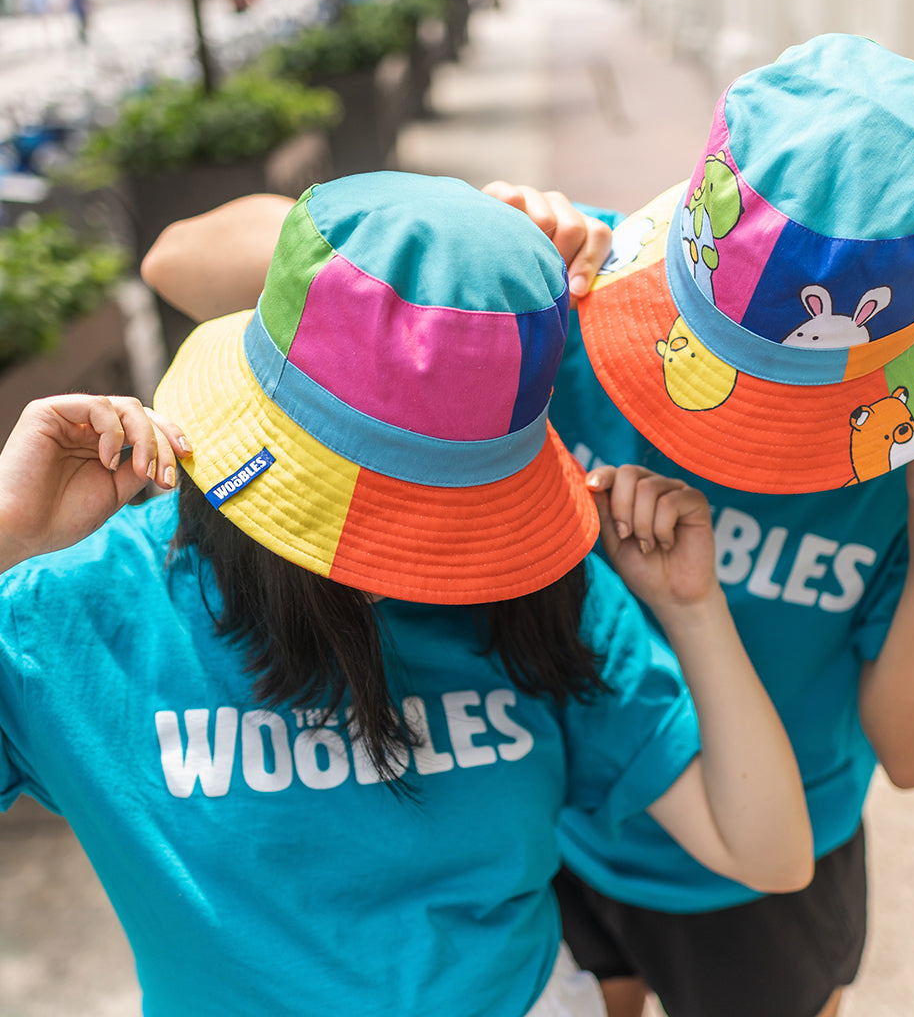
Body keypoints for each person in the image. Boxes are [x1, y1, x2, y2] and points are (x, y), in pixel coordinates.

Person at [139, 35, 914, 1017]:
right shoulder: (569, 284)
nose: (731, 439)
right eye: (710, 364)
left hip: (768, 855)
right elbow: (178, 263)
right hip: (547, 816)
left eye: (790, 408)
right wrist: (450, 243)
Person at [0, 172, 813, 1016]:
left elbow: (768, 853)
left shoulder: (541, 596)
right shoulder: (80, 612)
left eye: (448, 515)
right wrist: (7, 534)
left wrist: (691, 608)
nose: (410, 563)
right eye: (385, 513)